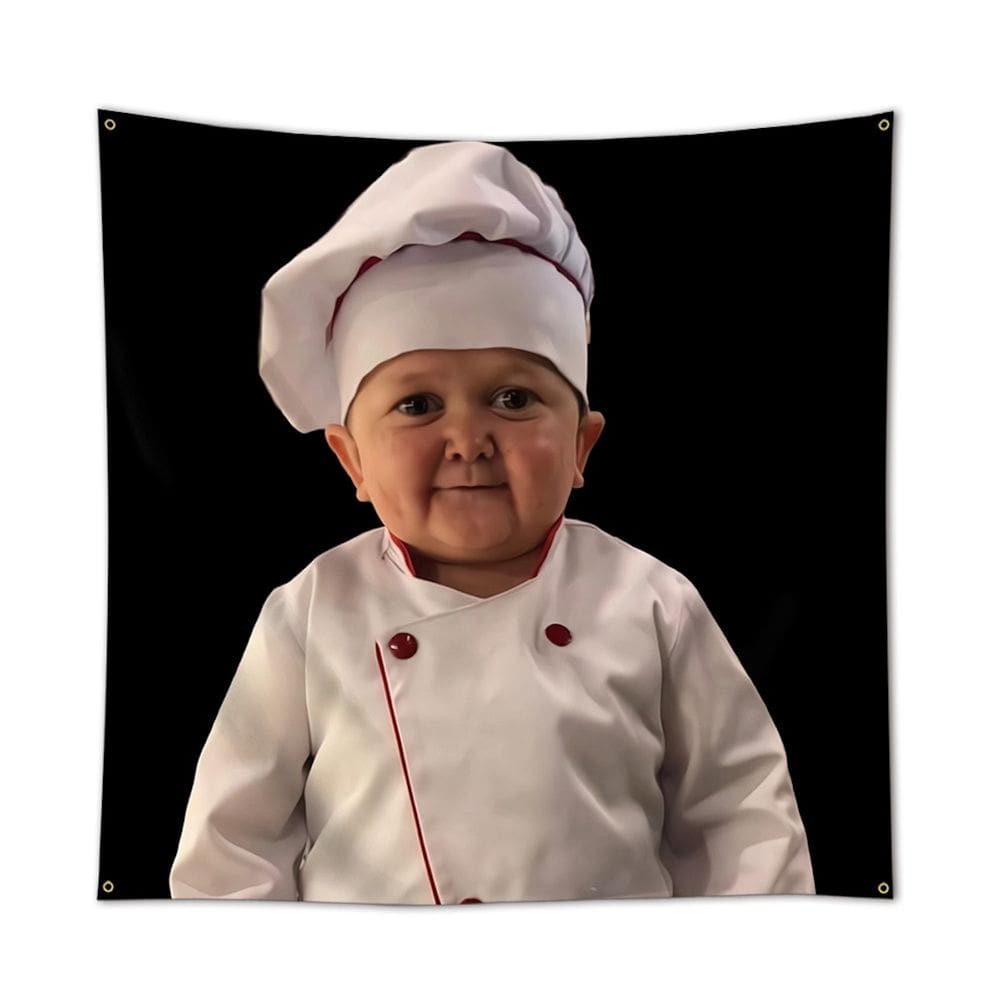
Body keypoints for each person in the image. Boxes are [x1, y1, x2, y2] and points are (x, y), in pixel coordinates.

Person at [169, 140, 815, 903]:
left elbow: (741, 810)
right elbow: (233, 841)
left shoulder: (652, 602)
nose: (468, 439)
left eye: (513, 399)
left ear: (582, 447)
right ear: (352, 462)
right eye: (418, 405)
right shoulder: (311, 611)